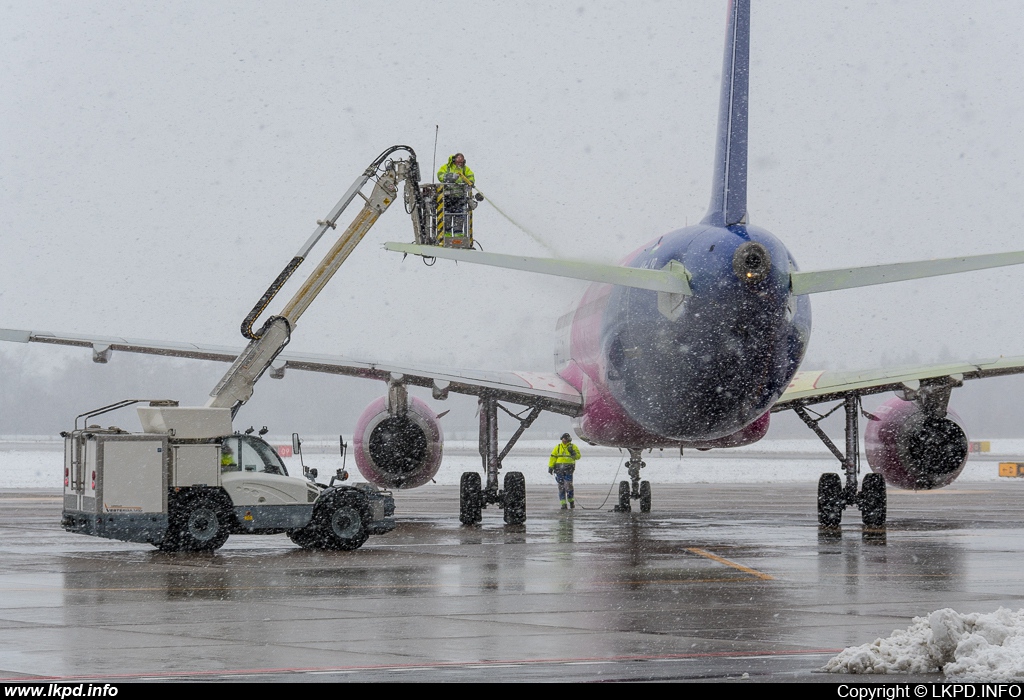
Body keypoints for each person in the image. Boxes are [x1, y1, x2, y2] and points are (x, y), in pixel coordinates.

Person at [548, 432, 581, 510]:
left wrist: (573, 453)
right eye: (563, 439)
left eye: (565, 439)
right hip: (559, 470)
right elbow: (553, 457)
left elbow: (578, 456)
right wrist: (551, 467)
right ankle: (563, 504)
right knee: (561, 487)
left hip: (569, 469)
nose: (564, 441)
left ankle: (571, 501)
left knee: (569, 486)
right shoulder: (558, 447)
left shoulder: (573, 447)